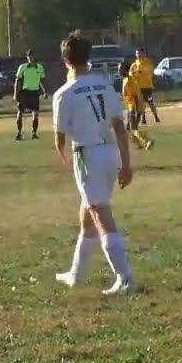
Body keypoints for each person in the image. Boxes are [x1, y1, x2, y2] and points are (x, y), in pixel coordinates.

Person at [51, 30, 135, 295]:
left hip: (87, 156)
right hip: (109, 152)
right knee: (87, 214)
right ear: (89, 57)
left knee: (100, 214)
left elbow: (59, 138)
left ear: (66, 61)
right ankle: (76, 274)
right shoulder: (105, 84)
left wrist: (65, 159)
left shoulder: (64, 93)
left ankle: (125, 278)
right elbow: (120, 127)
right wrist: (126, 163)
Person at [13, 50, 46, 140]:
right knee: (20, 113)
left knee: (35, 114)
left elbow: (41, 81)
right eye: (29, 56)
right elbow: (17, 81)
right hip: (24, 93)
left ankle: (34, 133)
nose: (30, 58)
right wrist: (15, 93)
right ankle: (19, 133)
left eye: (32, 56)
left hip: (34, 93)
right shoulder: (22, 67)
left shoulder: (39, 68)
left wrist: (44, 91)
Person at [120, 71, 154, 150]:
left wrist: (136, 109)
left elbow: (135, 95)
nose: (119, 71)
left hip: (134, 108)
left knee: (134, 129)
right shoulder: (129, 79)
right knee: (129, 129)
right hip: (133, 107)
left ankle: (147, 140)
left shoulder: (128, 81)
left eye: (121, 69)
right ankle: (138, 145)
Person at [128, 47, 160, 123]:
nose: (138, 55)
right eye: (137, 53)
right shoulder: (134, 65)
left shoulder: (148, 63)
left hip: (148, 87)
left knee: (150, 103)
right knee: (140, 104)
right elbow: (130, 74)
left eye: (140, 53)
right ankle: (143, 118)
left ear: (144, 54)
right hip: (138, 87)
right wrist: (133, 74)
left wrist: (139, 72)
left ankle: (156, 116)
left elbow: (149, 72)